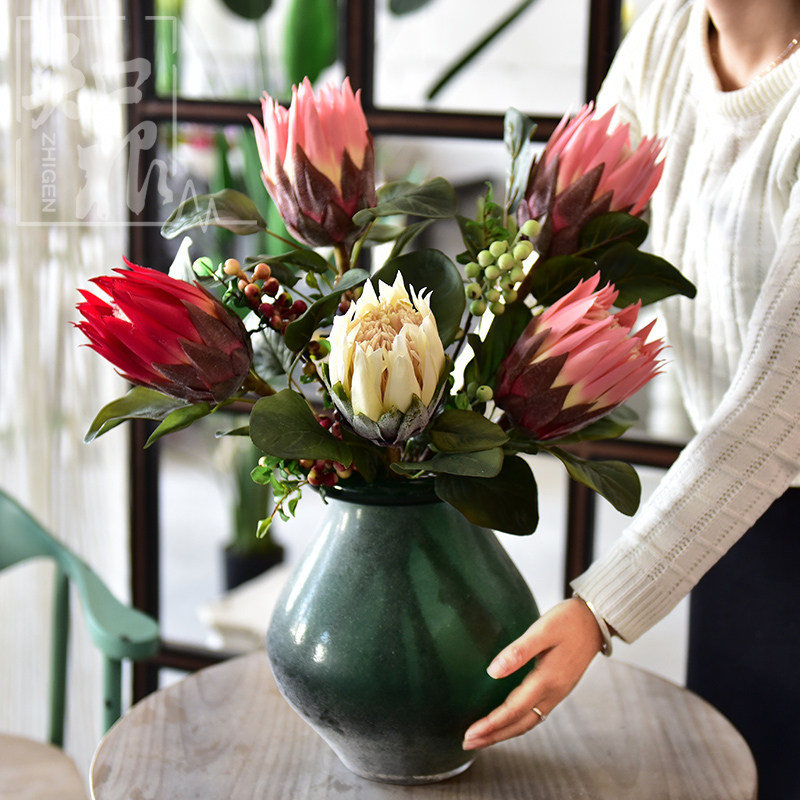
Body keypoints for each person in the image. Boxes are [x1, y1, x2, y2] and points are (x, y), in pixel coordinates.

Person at [462, 1, 800, 797]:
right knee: (743, 767)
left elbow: (779, 409)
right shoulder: (664, 36)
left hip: (759, 463)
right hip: (739, 509)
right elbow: (564, 253)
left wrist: (600, 611)